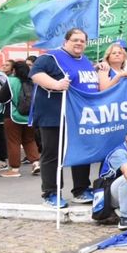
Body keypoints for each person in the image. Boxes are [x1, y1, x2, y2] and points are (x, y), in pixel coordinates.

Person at [30, 28, 98, 208]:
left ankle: (81, 189)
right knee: (53, 154)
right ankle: (51, 193)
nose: (79, 43)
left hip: (78, 117)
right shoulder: (51, 58)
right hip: (54, 115)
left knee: (82, 152)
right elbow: (36, 74)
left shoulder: (85, 61)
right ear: (65, 41)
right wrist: (56, 84)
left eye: (82, 41)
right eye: (75, 40)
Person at [0, 60, 39, 177]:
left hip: (13, 116)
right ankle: (35, 163)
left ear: (14, 70)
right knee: (29, 140)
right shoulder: (33, 81)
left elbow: (0, 98)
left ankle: (14, 169)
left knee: (13, 142)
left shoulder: (11, 81)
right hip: (30, 116)